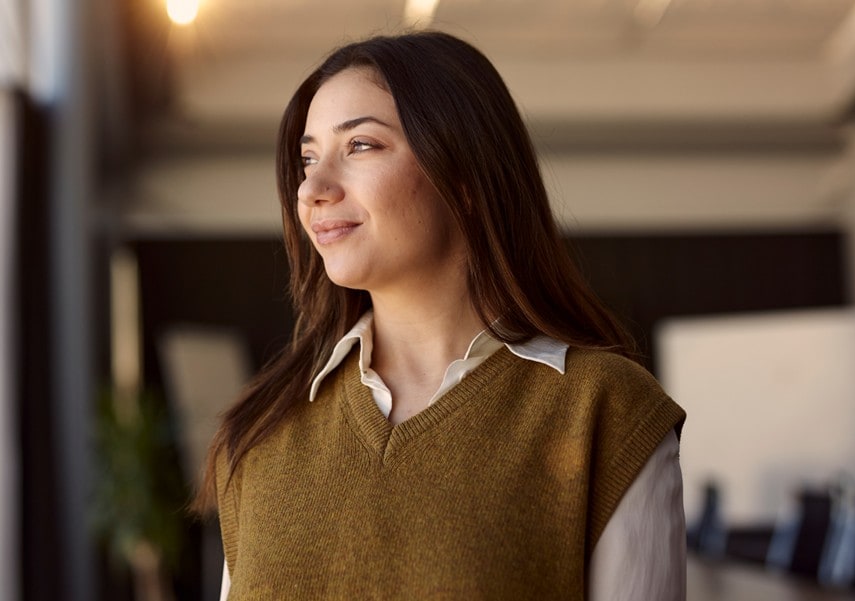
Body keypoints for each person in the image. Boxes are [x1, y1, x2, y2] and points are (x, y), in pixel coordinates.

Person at [194, 31, 686, 600]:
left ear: (464, 176)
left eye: (360, 146)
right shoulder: (258, 437)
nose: (312, 189)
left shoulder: (605, 412)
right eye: (307, 158)